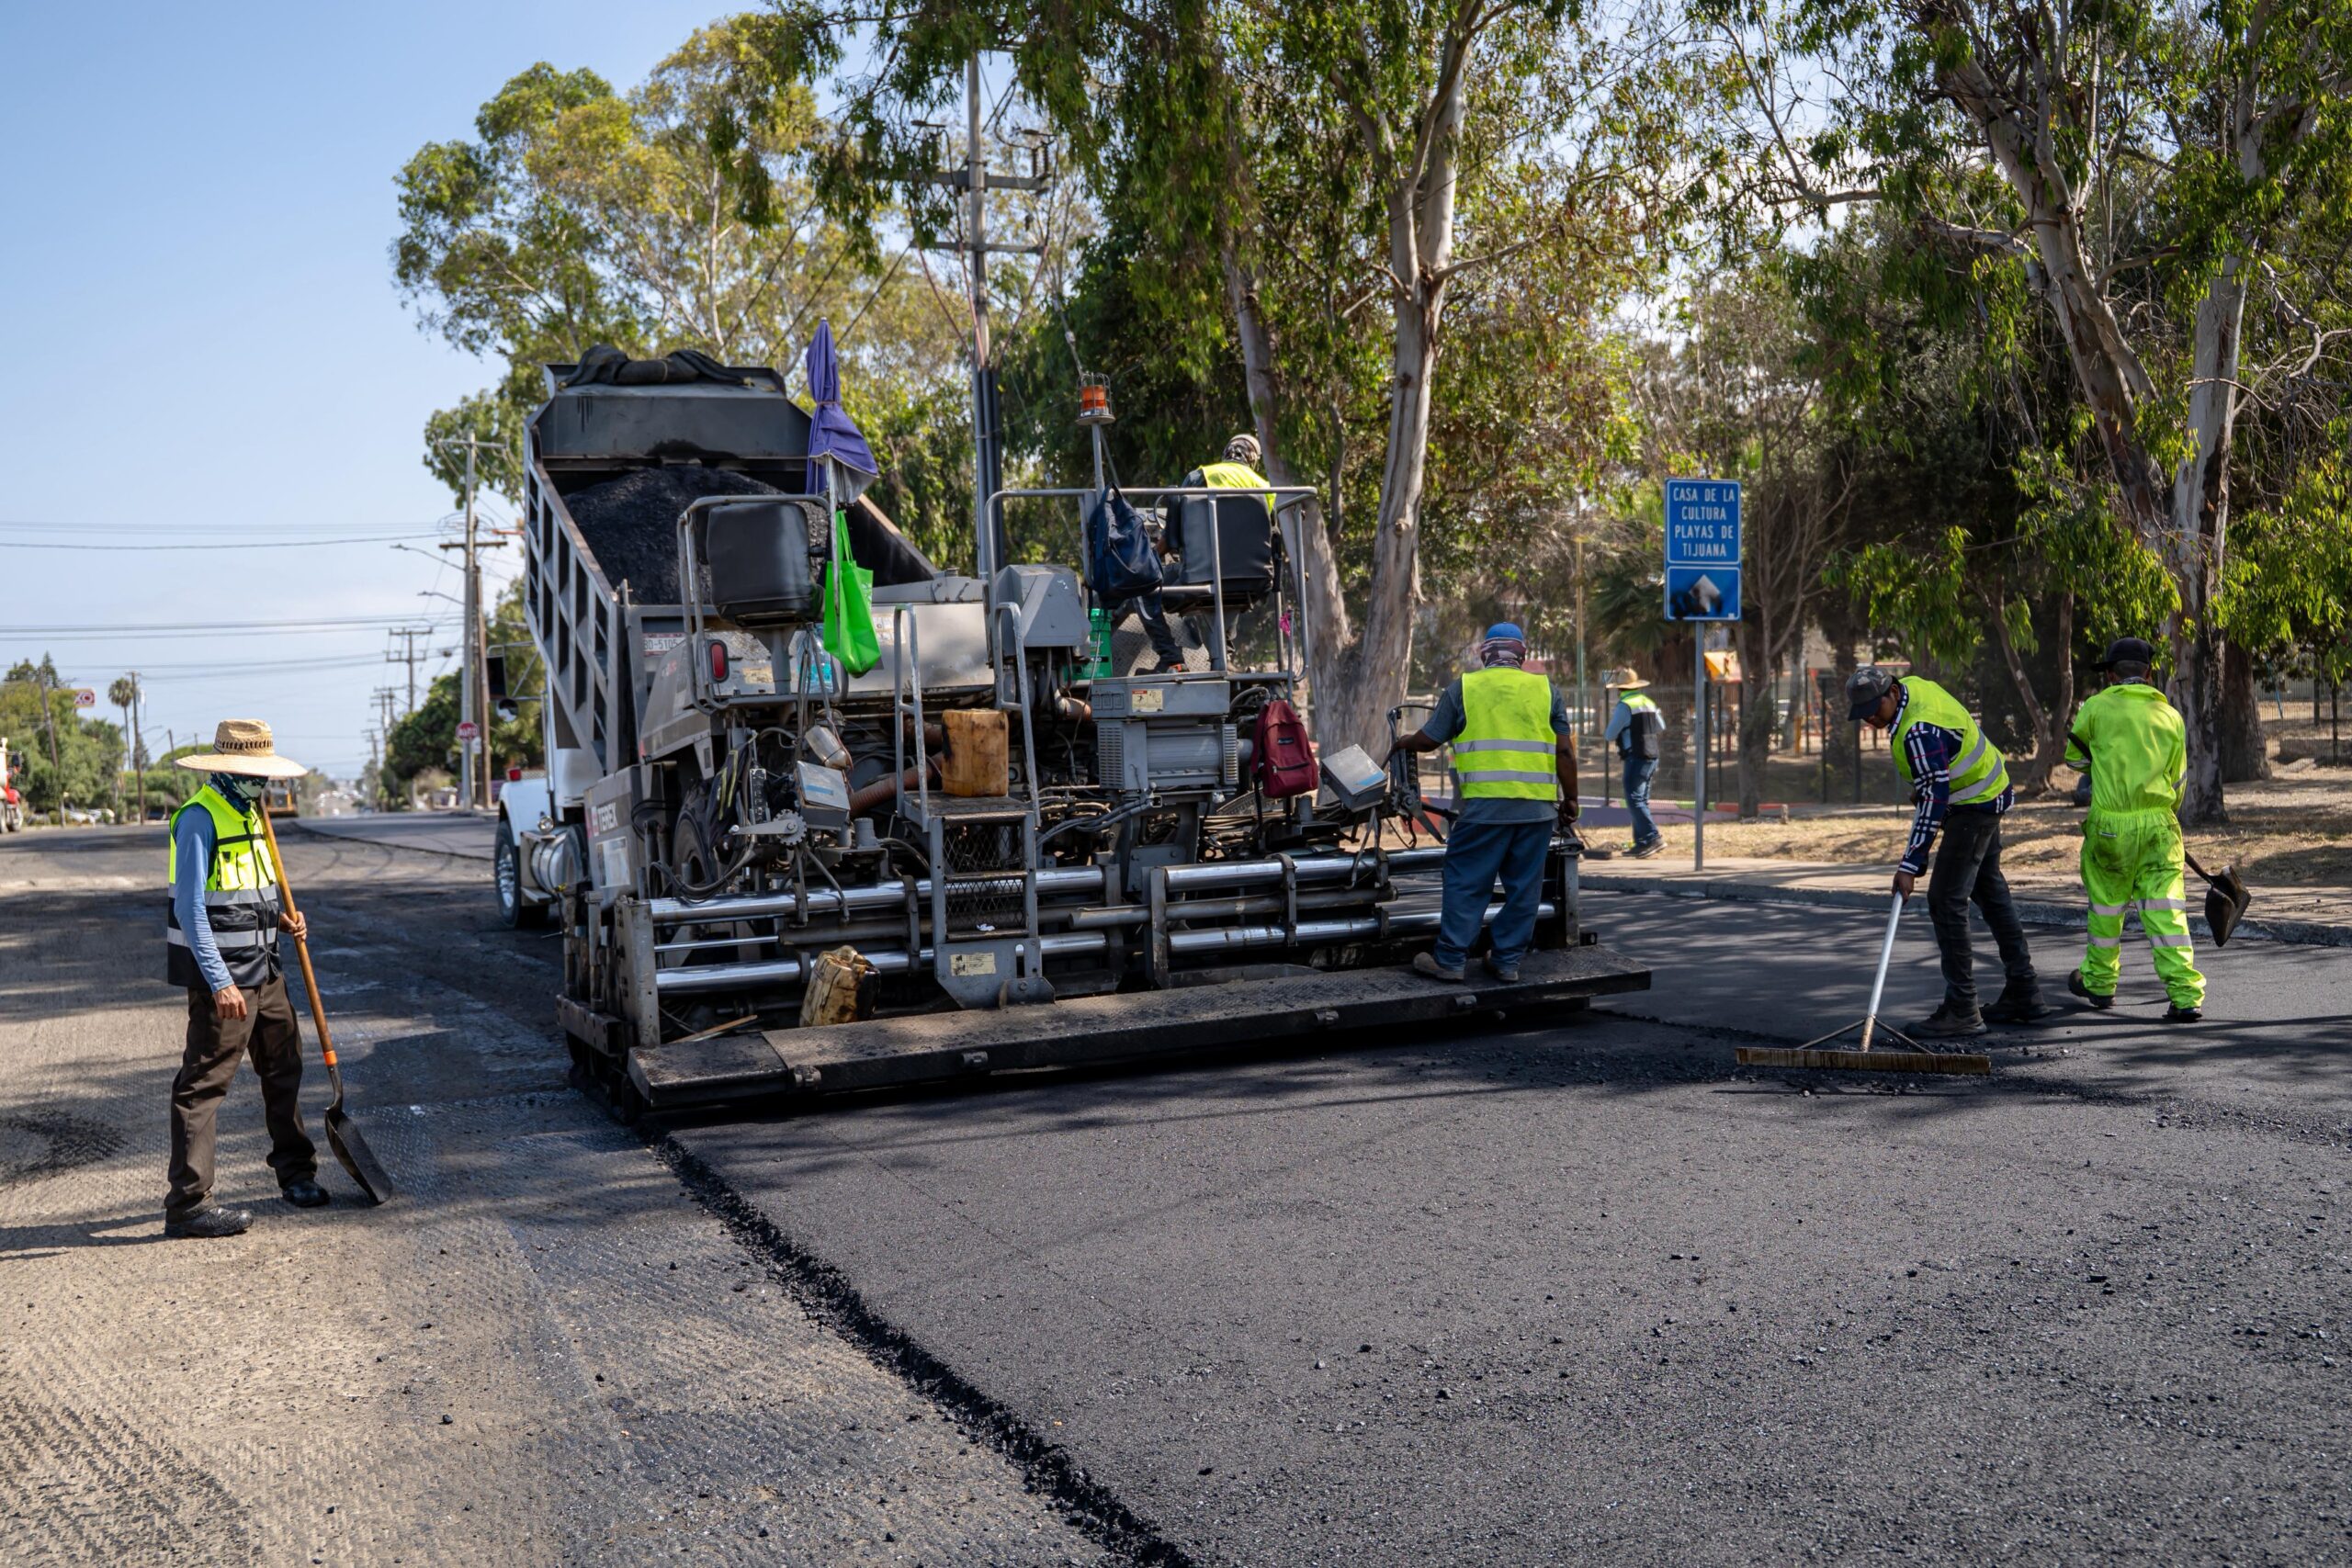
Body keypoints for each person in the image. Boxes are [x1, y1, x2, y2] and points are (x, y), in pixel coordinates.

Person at [163, 719, 324, 1239]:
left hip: (267, 971)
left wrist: (280, 918)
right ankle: (188, 1205)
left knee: (284, 1069)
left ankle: (296, 1174)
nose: (264, 784)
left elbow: (241, 894)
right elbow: (191, 909)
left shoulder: (252, 814)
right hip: (225, 983)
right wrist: (219, 982)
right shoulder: (199, 819)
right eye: (255, 774)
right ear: (229, 770)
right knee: (203, 1085)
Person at [1848, 666, 2045, 1035]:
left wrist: (1911, 864)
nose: (1872, 717)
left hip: (1973, 806)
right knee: (1990, 893)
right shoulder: (1917, 690)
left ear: (1892, 691)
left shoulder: (1918, 729)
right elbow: (1937, 772)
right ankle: (2025, 991)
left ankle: (1962, 1008)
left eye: (1876, 707)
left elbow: (1935, 799)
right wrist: (1927, 784)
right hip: (1989, 791)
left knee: (1945, 900)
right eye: (1864, 714)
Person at [1387, 624, 1578, 984]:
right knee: (1525, 889)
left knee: (1466, 883)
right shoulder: (1545, 689)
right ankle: (1506, 962)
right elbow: (1565, 751)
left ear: (1484, 654)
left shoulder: (1465, 687)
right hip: (1536, 811)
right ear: (1522, 655)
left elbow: (1429, 740)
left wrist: (1403, 742)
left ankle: (1450, 960)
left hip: (1484, 812)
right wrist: (1571, 799)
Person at [2063, 637, 2204, 1021]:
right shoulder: (2170, 715)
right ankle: (2185, 995)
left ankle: (2099, 982)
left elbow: (2074, 760)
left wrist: (2104, 765)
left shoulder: (2095, 708)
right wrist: (2163, 814)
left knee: (2107, 907)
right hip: (2161, 825)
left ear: (2110, 675)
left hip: (2111, 826)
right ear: (2147, 674)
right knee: (2166, 911)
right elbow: (2178, 781)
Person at [1602, 675, 1665, 858]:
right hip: (1652, 755)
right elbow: (1661, 726)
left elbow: (1609, 734)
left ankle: (1653, 837)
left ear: (1620, 689)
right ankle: (1642, 843)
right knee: (1641, 800)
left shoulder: (1625, 706)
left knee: (1634, 799)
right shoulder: (1648, 702)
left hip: (1635, 757)